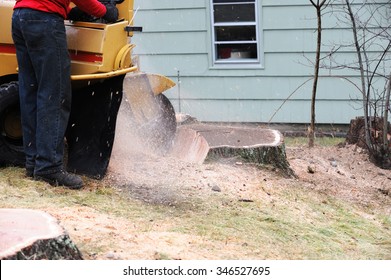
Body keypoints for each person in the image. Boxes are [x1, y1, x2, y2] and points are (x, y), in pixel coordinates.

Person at [11, 0, 118, 189]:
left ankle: (34, 162)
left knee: (31, 92)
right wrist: (105, 11)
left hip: (21, 16)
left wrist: (68, 11)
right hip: (44, 21)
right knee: (54, 93)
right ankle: (49, 167)